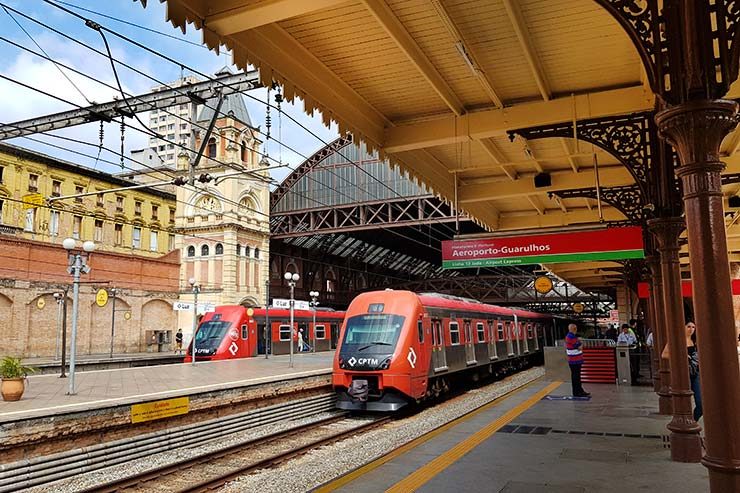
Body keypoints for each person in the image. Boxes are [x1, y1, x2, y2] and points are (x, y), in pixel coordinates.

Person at [565, 324, 590, 397]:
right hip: (574, 360)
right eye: (576, 328)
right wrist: (580, 343)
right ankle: (577, 392)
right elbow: (578, 346)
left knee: (576, 376)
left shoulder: (571, 336)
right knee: (576, 377)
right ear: (574, 329)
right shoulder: (571, 337)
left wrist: (579, 344)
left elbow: (579, 345)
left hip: (575, 360)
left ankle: (579, 391)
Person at [686, 321, 702, 422]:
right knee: (684, 401)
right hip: (685, 373)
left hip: (696, 373)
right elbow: (664, 355)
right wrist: (682, 356)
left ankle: (693, 420)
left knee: (701, 404)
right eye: (688, 327)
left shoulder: (695, 341)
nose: (691, 329)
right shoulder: (678, 340)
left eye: (693, 327)